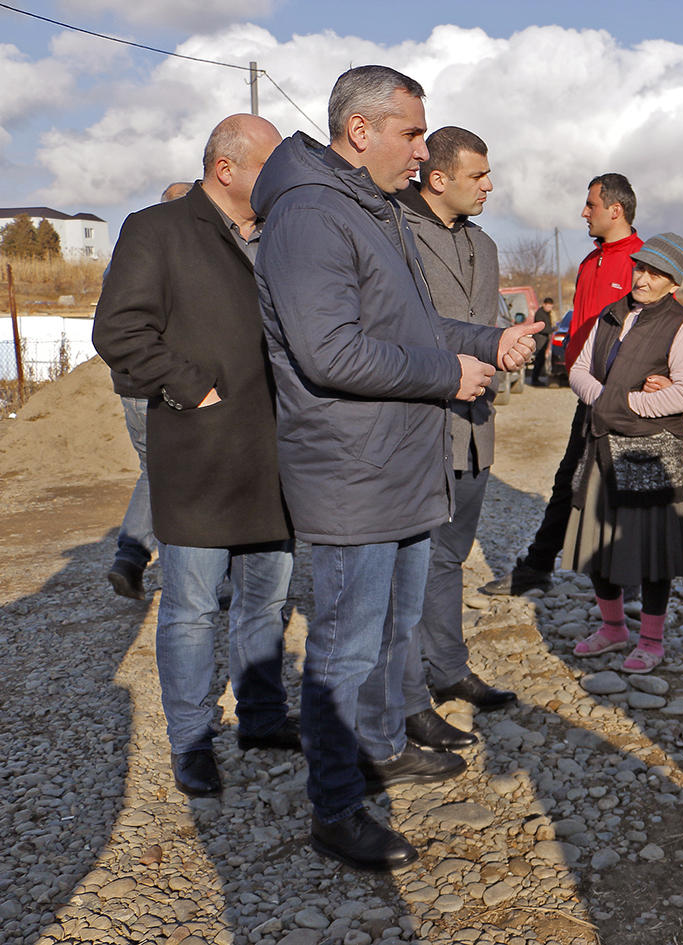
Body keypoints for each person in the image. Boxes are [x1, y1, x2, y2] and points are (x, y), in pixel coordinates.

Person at [253, 65, 540, 872]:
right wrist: (447, 375)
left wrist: (483, 343)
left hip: (401, 462)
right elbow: (330, 349)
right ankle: (336, 804)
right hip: (354, 468)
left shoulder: (365, 206)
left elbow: (411, 320)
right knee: (344, 645)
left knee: (391, 627)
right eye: (412, 134)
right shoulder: (311, 214)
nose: (422, 151)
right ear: (359, 131)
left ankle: (380, 744)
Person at [92, 116, 299, 798]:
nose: (279, 178)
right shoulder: (157, 230)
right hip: (203, 452)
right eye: (268, 165)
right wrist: (194, 388)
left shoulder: (279, 237)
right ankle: (190, 740)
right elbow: (118, 329)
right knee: (191, 608)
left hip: (276, 458)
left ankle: (263, 717)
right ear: (226, 168)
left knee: (265, 601)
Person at [394, 126, 518, 753]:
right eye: (478, 176)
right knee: (409, 564)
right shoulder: (394, 234)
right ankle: (408, 692)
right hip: (418, 424)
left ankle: (448, 670)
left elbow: (485, 329)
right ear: (436, 178)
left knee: (449, 557)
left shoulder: (486, 245)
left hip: (475, 428)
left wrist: (509, 352)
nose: (490, 186)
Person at [480, 174, 643, 596]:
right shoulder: (591, 262)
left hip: (621, 399)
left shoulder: (643, 262)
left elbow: (660, 329)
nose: (583, 213)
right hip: (586, 394)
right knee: (568, 480)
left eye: (590, 205)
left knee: (621, 487)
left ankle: (636, 580)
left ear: (616, 210)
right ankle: (537, 568)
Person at [563, 233, 683, 674]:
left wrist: (628, 404)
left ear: (672, 282)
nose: (642, 278)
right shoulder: (611, 313)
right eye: (640, 268)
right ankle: (612, 628)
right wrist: (606, 398)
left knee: (651, 549)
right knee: (595, 539)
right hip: (603, 439)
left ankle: (651, 639)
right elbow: (579, 369)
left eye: (655, 273)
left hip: (650, 449)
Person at [104, 180, 193, 600]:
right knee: (197, 472)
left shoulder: (127, 253)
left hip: (132, 386)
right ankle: (212, 577)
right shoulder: (184, 248)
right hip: (170, 381)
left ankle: (130, 555)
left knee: (153, 470)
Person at [528, 297, 556, 385]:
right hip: (540, 339)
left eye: (551, 307)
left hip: (544, 339)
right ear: (544, 304)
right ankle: (535, 379)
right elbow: (541, 327)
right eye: (548, 306)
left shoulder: (547, 313)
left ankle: (537, 378)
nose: (549, 309)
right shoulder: (540, 314)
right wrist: (552, 330)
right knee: (538, 360)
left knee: (541, 360)